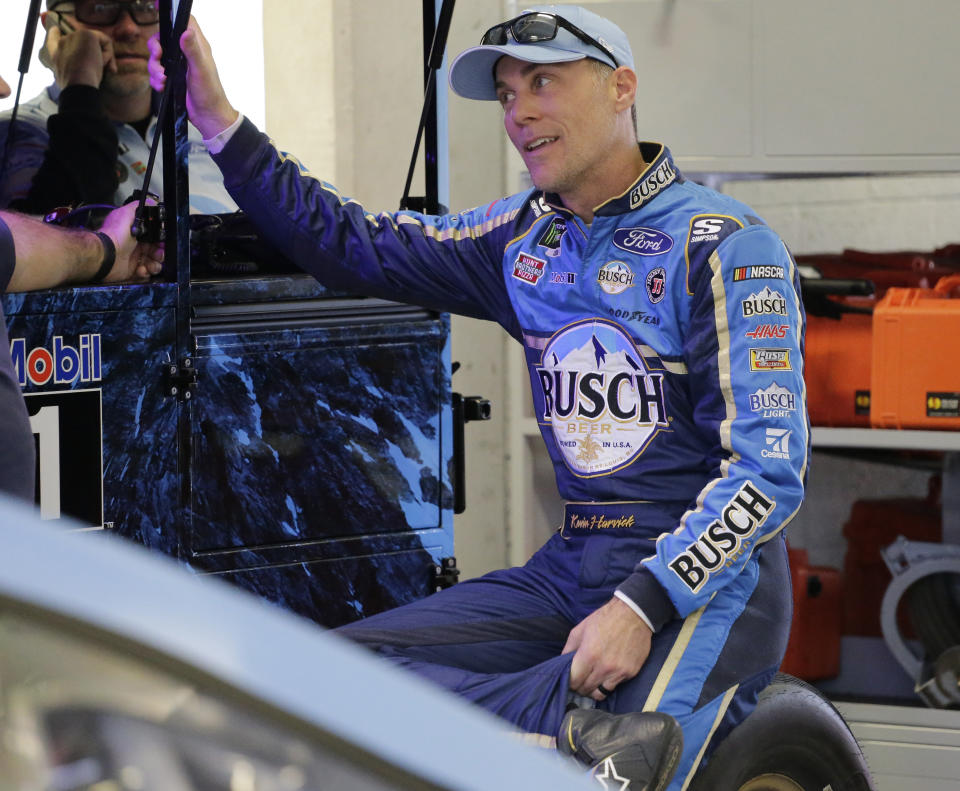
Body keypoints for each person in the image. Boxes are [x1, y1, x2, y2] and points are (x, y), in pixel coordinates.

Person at [149, 7, 809, 789]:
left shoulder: (725, 243)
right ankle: (558, 720)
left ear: (621, 87)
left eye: (541, 82)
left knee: (624, 769)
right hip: (575, 563)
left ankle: (563, 731)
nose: (519, 112)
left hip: (705, 584)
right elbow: (351, 241)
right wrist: (220, 123)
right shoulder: (519, 237)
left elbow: (768, 471)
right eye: (503, 95)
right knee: (326, 679)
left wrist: (641, 604)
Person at [1, 65, 164, 503]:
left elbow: (11, 245)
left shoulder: (195, 141)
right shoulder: (25, 130)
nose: (1, 88)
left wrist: (106, 251)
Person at [0, 0, 235, 215]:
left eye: (145, 7)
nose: (128, 29)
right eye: (100, 8)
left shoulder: (207, 132)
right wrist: (80, 87)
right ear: (52, 25)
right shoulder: (17, 132)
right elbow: (65, 245)